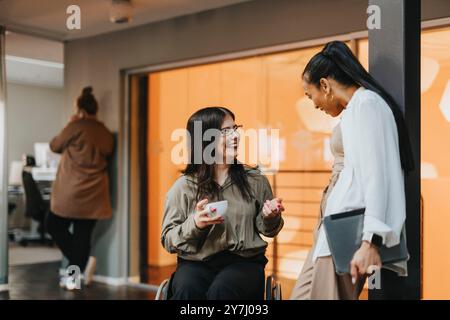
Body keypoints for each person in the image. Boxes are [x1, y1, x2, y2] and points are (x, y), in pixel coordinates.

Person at [290, 41, 414, 300]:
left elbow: (377, 177)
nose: (313, 104)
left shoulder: (367, 105)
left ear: (325, 85)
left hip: (348, 228)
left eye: (310, 95)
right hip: (332, 226)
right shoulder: (354, 109)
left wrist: (371, 241)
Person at [161, 106, 284, 300]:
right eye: (226, 131)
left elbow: (269, 230)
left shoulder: (256, 181)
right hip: (195, 262)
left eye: (235, 129)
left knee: (223, 291)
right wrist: (194, 224)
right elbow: (168, 240)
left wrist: (269, 217)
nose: (235, 136)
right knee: (187, 290)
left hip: (244, 262)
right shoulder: (183, 187)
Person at [46, 86, 114, 290]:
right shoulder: (105, 132)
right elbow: (109, 150)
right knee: (82, 236)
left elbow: (55, 145)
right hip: (95, 192)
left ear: (79, 108)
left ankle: (79, 264)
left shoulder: (75, 126)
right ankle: (75, 276)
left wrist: (70, 124)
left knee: (53, 224)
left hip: (72, 190)